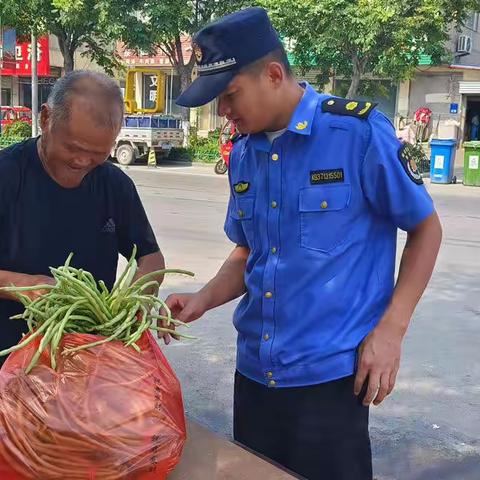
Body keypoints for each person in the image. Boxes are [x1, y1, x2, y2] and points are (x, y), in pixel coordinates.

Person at [166, 7, 442, 480]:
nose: (224, 112)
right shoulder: (244, 155)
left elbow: (425, 229)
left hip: (330, 381)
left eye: (230, 96)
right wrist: (203, 299)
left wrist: (391, 331)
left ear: (274, 74)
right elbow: (247, 252)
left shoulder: (355, 133)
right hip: (253, 375)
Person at [0, 70, 164, 359]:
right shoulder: (7, 175)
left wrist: (129, 305)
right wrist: (27, 286)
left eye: (99, 153)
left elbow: (150, 258)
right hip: (11, 363)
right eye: (73, 147)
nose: (83, 161)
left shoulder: (114, 185)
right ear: (46, 118)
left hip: (88, 359)